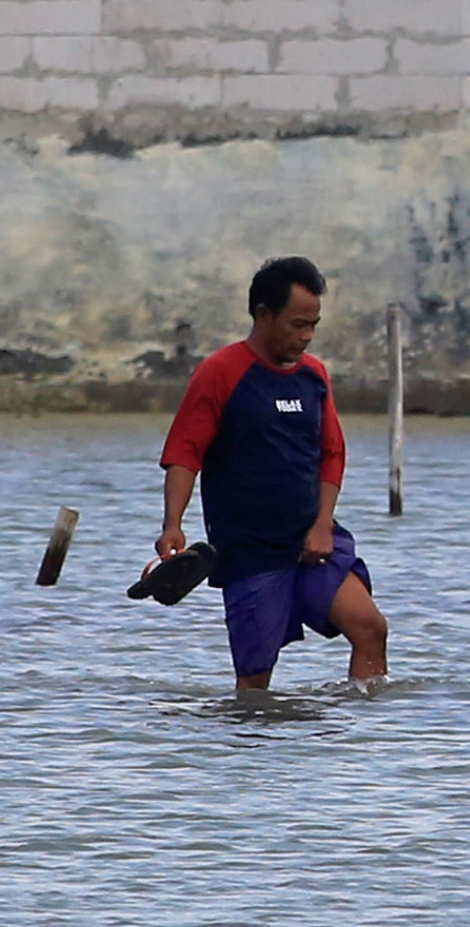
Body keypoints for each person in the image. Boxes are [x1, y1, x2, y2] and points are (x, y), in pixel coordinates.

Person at [158, 257, 389, 690]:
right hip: (250, 553)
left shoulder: (314, 376)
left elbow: (332, 455)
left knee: (370, 628)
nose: (306, 336)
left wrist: (322, 525)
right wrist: (172, 524)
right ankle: (255, 757)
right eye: (297, 324)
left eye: (313, 325)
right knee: (254, 685)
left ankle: (365, 742)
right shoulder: (220, 374)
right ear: (263, 315)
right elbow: (185, 454)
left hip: (312, 543)